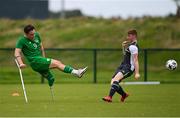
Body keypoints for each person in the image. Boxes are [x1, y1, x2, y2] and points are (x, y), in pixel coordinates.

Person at [14, 24, 87, 87]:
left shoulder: (37, 35)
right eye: (31, 34)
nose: (33, 35)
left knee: (52, 77)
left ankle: (50, 80)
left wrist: (43, 59)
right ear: (26, 34)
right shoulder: (21, 41)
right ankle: (77, 72)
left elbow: (41, 47)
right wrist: (21, 63)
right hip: (35, 62)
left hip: (40, 60)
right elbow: (17, 52)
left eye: (34, 33)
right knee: (57, 63)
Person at [102, 29, 140, 102]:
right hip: (123, 66)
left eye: (129, 36)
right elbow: (125, 55)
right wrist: (123, 47)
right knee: (113, 81)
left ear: (134, 36)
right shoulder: (130, 45)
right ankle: (124, 95)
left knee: (116, 80)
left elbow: (136, 60)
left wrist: (137, 73)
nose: (127, 37)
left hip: (128, 67)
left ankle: (109, 97)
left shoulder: (133, 47)